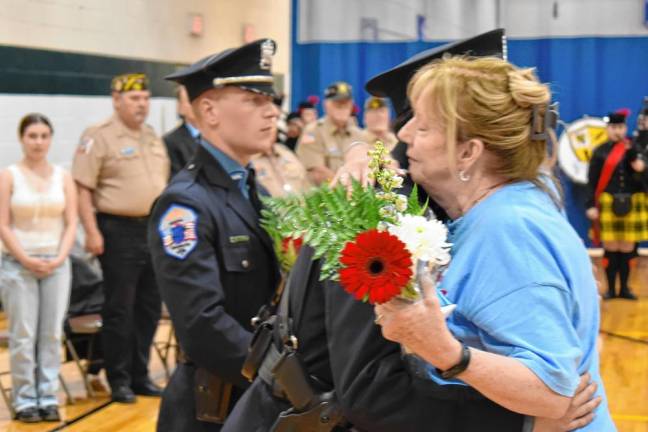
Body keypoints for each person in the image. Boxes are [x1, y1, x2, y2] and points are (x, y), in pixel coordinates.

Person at [223, 30, 600, 432]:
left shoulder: (499, 215)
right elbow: (373, 389)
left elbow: (550, 376)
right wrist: (521, 423)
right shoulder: (386, 209)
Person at [373, 56, 614, 431]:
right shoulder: (522, 190)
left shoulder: (506, 228)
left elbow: (553, 391)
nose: (403, 136)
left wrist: (446, 352)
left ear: (469, 152)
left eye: (422, 126)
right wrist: (360, 152)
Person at [148, 39, 281, 432]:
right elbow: (201, 324)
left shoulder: (253, 188)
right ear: (208, 110)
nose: (272, 111)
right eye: (254, 99)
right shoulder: (185, 206)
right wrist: (280, 375)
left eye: (271, 100)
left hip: (256, 398)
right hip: (214, 407)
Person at [71, 73, 169, 403]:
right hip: (116, 230)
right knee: (119, 310)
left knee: (149, 308)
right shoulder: (98, 136)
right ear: (116, 99)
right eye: (133, 98)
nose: (141, 104)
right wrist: (92, 231)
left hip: (152, 229)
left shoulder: (152, 136)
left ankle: (140, 374)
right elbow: (83, 187)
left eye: (144, 97)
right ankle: (119, 378)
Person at [0, 114, 77, 423]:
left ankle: (47, 396)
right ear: (22, 139)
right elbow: (3, 224)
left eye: (44, 136)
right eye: (32, 136)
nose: (38, 142)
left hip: (56, 263)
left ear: (51, 139)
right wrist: (25, 258)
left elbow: (72, 221)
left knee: (50, 334)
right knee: (22, 335)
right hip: (18, 263)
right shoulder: (9, 175)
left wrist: (59, 257)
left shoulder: (63, 176)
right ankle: (24, 399)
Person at [586, 109, 647, 300]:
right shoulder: (600, 151)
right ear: (607, 129)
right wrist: (591, 205)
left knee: (628, 249)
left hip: (632, 202)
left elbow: (644, 181)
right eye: (613, 127)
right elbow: (592, 181)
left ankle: (625, 289)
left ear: (624, 127)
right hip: (608, 203)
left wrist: (641, 169)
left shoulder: (634, 150)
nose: (617, 131)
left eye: (620, 127)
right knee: (611, 249)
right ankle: (611, 289)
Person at [296, 81, 366, 185]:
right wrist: (350, 188)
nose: (342, 106)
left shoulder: (359, 134)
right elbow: (317, 172)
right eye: (337, 102)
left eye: (346, 102)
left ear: (351, 105)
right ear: (326, 105)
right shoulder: (313, 131)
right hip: (325, 197)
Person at [164, 85, 201, 177]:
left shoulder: (216, 136)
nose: (194, 104)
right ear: (180, 107)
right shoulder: (170, 141)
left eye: (197, 99)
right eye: (189, 100)